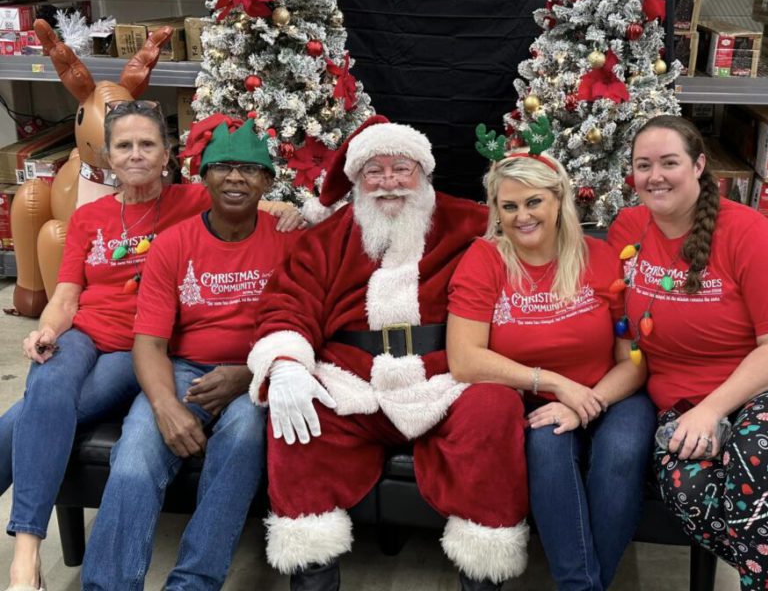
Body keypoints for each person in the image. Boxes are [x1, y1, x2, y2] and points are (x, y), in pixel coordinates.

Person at [0, 102, 299, 591]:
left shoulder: (201, 202)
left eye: (147, 144)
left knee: (241, 436)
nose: (136, 154)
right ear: (107, 155)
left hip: (181, 358)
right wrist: (47, 331)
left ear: (167, 156)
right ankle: (36, 555)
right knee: (59, 399)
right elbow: (70, 297)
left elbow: (244, 196)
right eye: (124, 145)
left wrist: (288, 210)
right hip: (113, 342)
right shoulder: (102, 220)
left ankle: (191, 583)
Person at [247, 115, 529, 591]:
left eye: (401, 169)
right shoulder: (325, 238)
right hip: (352, 380)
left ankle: (483, 576)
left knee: (494, 407)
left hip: (446, 377)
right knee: (297, 415)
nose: (388, 182)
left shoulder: (473, 223)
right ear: (357, 180)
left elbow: (532, 257)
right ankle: (313, 579)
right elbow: (288, 302)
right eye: (373, 171)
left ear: (424, 173)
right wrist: (287, 363)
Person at [607, 115, 768, 591]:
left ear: (698, 166)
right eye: (643, 165)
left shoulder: (746, 231)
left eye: (669, 162)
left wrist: (712, 410)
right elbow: (621, 327)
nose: (655, 176)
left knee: (753, 452)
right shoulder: (628, 229)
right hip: (683, 404)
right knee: (687, 491)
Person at [446, 152, 655, 590]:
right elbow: (464, 360)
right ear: (496, 211)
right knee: (546, 445)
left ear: (559, 200)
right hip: (539, 399)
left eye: (533, 202)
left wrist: (582, 404)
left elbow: (632, 362)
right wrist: (557, 384)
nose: (522, 216)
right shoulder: (485, 259)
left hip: (612, 392)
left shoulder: (599, 257)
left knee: (621, 451)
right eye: (509, 206)